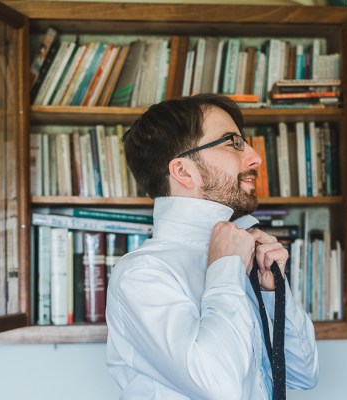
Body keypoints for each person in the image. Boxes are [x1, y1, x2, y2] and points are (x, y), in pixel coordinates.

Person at [106, 93, 319, 399]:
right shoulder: (141, 274)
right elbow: (221, 388)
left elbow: (303, 374)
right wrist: (224, 269)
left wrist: (274, 295)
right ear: (183, 172)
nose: (255, 157)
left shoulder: (248, 254)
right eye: (233, 143)